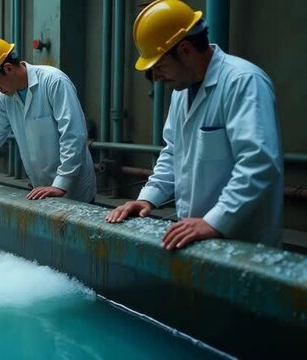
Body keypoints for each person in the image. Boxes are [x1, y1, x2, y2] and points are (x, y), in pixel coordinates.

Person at [105, 0, 283, 250]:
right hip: (195, 237)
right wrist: (148, 198)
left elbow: (259, 163)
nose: (155, 77)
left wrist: (215, 221)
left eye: (159, 66)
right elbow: (173, 153)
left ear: (186, 50)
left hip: (244, 242)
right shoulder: (182, 90)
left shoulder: (243, 82)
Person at [0, 37, 96, 204]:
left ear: (8, 68)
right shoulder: (5, 98)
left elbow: (73, 134)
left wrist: (61, 184)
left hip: (74, 190)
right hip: (41, 190)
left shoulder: (54, 82)